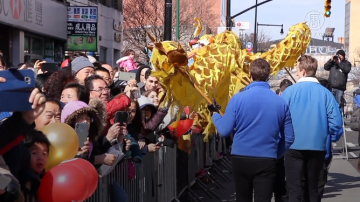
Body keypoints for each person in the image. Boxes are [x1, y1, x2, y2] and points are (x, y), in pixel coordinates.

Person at [209, 59, 295, 202]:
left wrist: (215, 114)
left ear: (250, 75)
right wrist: (276, 154)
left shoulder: (238, 99)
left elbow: (224, 130)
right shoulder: (280, 102)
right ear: (268, 76)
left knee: (242, 198)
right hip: (267, 157)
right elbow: (289, 137)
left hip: (241, 157)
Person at [281, 55, 343, 202]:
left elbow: (279, 118)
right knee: (313, 189)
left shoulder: (289, 92)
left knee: (294, 188)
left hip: (293, 146)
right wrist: (322, 130)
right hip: (317, 146)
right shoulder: (325, 93)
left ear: (302, 71)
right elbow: (336, 122)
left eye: (297, 70)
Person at [274, 78, 293, 202]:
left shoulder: (277, 103)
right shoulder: (289, 102)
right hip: (291, 144)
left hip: (279, 145)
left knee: (279, 175)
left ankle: (280, 194)